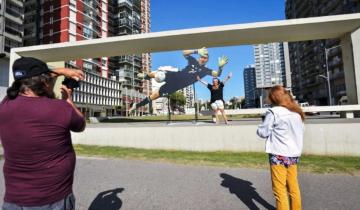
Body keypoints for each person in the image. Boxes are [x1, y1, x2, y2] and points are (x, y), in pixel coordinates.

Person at [0, 57, 86, 210]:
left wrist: (60, 71)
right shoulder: (60, 108)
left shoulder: (5, 105)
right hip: (53, 200)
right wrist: (69, 100)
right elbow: (80, 124)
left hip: (14, 200)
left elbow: (33, 80)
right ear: (44, 82)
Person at [129, 47, 228, 112]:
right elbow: (184, 53)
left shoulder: (205, 70)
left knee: (154, 95)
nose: (203, 59)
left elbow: (217, 74)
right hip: (174, 76)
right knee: (159, 76)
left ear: (207, 60)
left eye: (205, 58)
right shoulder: (193, 60)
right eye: (202, 57)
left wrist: (220, 67)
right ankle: (146, 76)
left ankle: (136, 106)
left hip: (175, 86)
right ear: (199, 57)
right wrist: (196, 51)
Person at [256, 85, 305, 210]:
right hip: (293, 155)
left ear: (274, 98)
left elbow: (263, 132)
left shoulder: (274, 112)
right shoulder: (297, 113)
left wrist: (261, 125)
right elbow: (300, 132)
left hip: (278, 155)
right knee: (293, 188)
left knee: (280, 190)